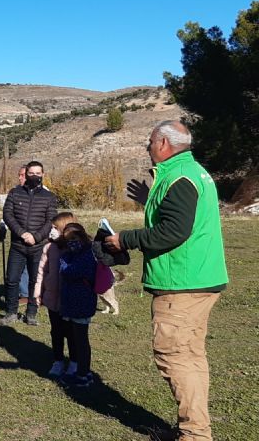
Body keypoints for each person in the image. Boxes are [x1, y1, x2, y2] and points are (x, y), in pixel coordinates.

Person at [105, 120, 228, 441]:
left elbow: (173, 231)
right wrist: (151, 201)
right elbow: (180, 217)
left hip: (182, 283)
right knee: (190, 356)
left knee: (174, 356)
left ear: (163, 143)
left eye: (149, 143)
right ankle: (194, 429)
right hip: (199, 278)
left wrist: (125, 240)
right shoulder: (192, 173)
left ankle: (195, 435)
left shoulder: (179, 177)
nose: (147, 148)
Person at [0, 161, 58, 326]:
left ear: (43, 174)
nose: (35, 177)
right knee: (11, 279)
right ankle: (11, 312)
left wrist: (36, 237)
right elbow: (8, 214)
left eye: (38, 173)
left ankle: (31, 313)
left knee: (35, 280)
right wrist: (22, 233)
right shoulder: (15, 193)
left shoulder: (49, 197)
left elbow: (51, 219)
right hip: (18, 245)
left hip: (38, 246)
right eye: (31, 173)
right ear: (26, 174)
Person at [33, 212, 78, 378]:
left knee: (71, 332)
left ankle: (74, 362)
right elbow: (41, 271)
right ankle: (58, 361)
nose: (51, 231)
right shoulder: (48, 248)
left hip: (70, 299)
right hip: (52, 297)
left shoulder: (75, 249)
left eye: (55, 228)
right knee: (56, 331)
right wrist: (38, 293)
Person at [59, 223, 97, 388]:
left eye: (74, 239)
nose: (71, 243)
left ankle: (83, 374)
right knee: (76, 338)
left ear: (81, 237)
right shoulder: (75, 254)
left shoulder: (87, 255)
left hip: (82, 302)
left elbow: (70, 272)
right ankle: (83, 371)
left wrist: (63, 260)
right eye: (68, 240)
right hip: (73, 302)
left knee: (81, 340)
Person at [0, 166, 30, 304]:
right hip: (17, 236)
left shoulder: (44, 193)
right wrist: (3, 226)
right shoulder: (15, 192)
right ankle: (21, 293)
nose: (20, 178)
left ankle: (31, 295)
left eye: (22, 175)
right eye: (19, 175)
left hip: (37, 238)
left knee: (33, 268)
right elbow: (8, 212)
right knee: (18, 267)